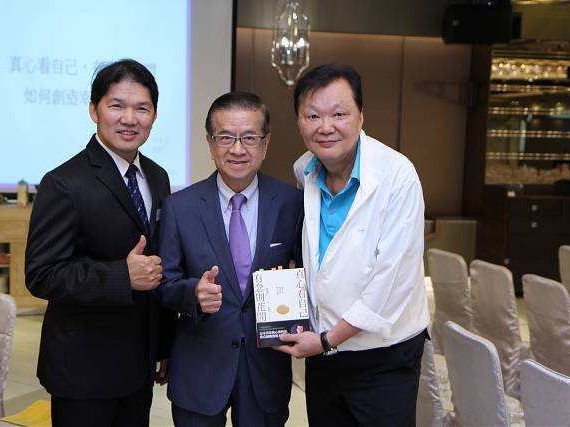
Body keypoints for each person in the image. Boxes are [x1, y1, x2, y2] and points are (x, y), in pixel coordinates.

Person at [276, 64, 430, 426]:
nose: (325, 127)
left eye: (339, 114)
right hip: (324, 350)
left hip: (383, 355)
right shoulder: (305, 170)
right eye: (312, 116)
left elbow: (389, 282)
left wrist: (327, 340)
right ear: (299, 122)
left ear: (361, 116)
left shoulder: (398, 176)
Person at [25, 59, 176, 427]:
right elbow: (42, 275)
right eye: (117, 106)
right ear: (94, 110)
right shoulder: (64, 182)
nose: (130, 119)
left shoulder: (157, 176)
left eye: (142, 108)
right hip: (84, 370)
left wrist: (164, 345)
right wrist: (122, 276)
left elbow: (156, 268)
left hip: (138, 365)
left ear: (154, 115)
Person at [158, 92, 303, 426]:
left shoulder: (291, 203)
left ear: (266, 144)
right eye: (225, 137)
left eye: (249, 138)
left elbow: (309, 273)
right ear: (210, 143)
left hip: (266, 368)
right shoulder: (180, 207)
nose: (237, 149)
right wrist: (193, 293)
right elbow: (163, 284)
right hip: (200, 368)